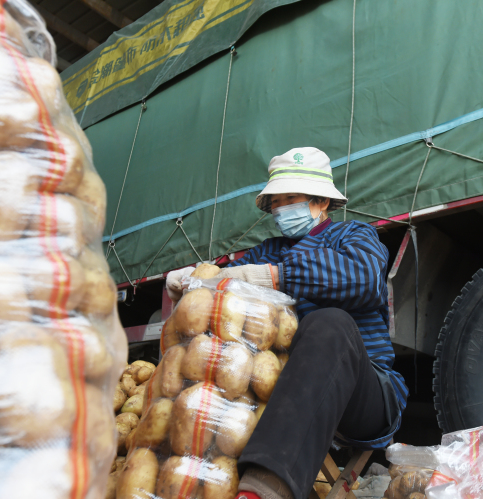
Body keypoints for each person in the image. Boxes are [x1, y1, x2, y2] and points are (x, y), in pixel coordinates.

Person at [166, 147, 407, 499]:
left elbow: (366, 279)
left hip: (365, 394)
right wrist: (195, 283)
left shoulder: (355, 236)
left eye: (291, 198)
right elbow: (224, 291)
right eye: (276, 202)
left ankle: (262, 490)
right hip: (282, 398)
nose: (281, 209)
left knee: (330, 323)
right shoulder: (267, 250)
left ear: (321, 202)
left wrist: (275, 277)